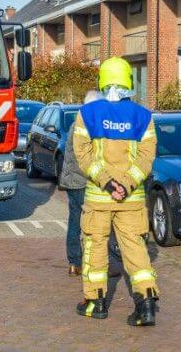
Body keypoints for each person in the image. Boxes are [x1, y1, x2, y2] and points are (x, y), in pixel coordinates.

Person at [72, 57, 159, 326]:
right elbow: (146, 158)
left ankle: (94, 303)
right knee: (135, 250)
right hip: (132, 199)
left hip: (99, 197)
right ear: (129, 82)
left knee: (94, 247)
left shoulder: (87, 113)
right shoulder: (144, 116)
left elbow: (83, 154)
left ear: (102, 81)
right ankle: (146, 306)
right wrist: (127, 184)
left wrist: (108, 183)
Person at [59, 90, 97, 277]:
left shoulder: (77, 123)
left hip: (73, 180)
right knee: (91, 222)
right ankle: (88, 262)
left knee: (75, 221)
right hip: (81, 181)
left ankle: (74, 262)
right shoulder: (86, 125)